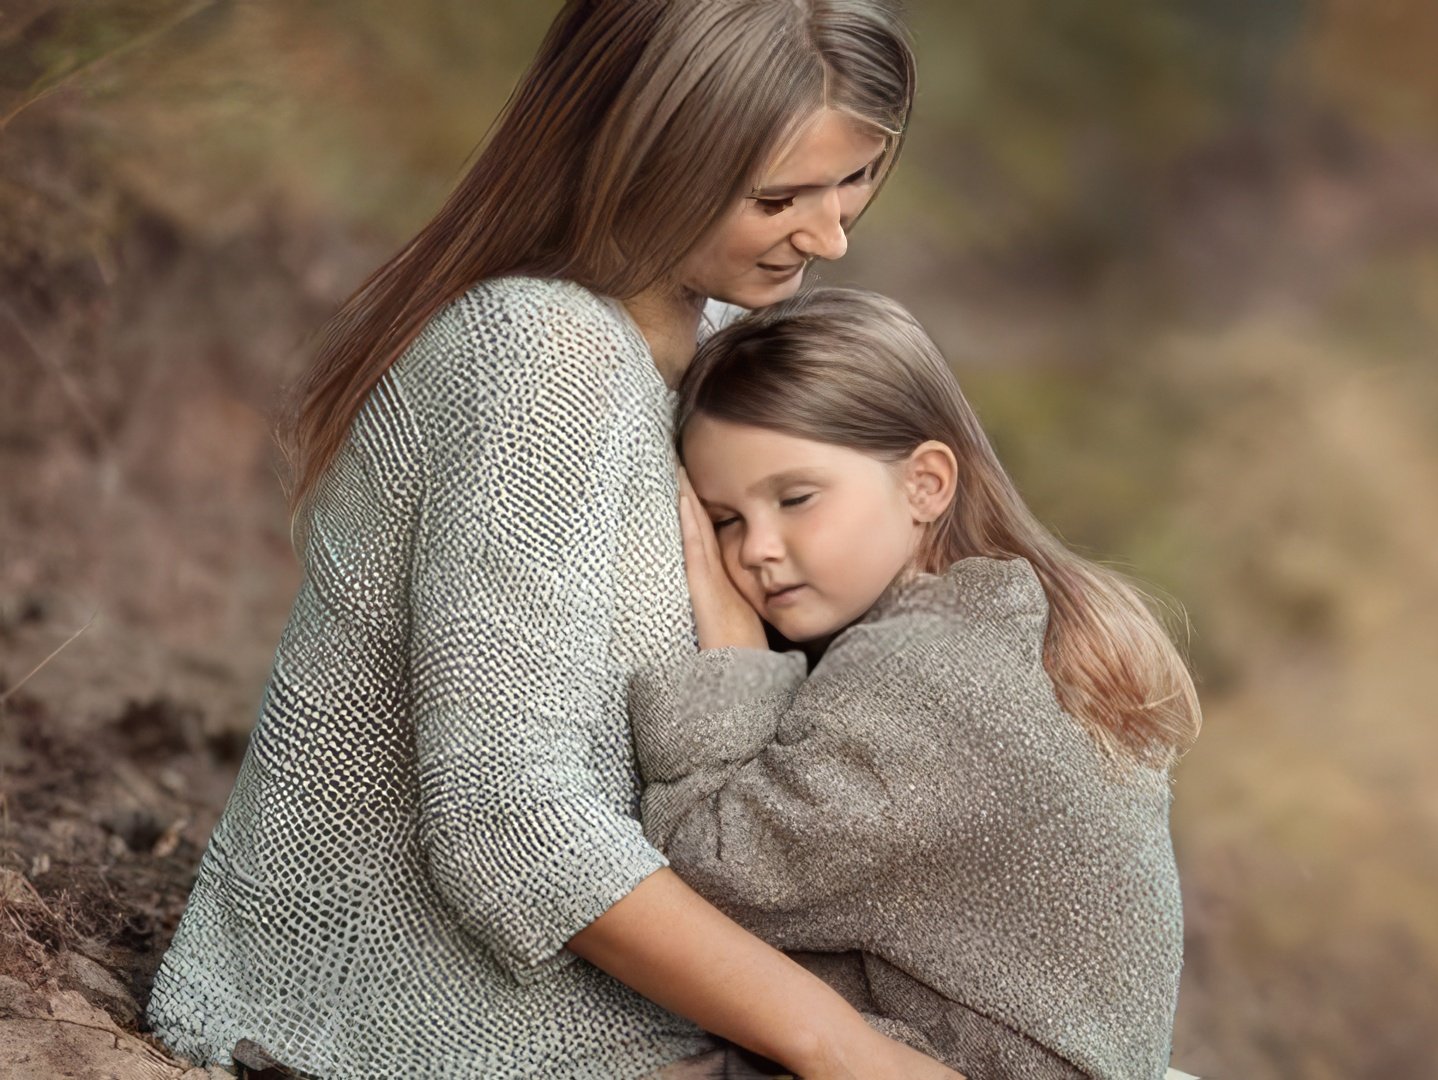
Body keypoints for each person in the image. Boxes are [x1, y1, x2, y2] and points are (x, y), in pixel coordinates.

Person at [145, 2, 960, 1077]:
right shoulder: (541, 358)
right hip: (411, 1021)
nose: (833, 236)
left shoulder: (721, 352)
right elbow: (507, 826)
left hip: (657, 996)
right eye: (779, 198)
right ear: (642, 155)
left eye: (855, 179)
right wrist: (839, 1046)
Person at [638, 288, 1201, 1079]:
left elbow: (702, 881)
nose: (757, 548)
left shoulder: (920, 673)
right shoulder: (1013, 618)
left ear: (926, 483)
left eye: (794, 499)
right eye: (726, 520)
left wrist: (731, 670)